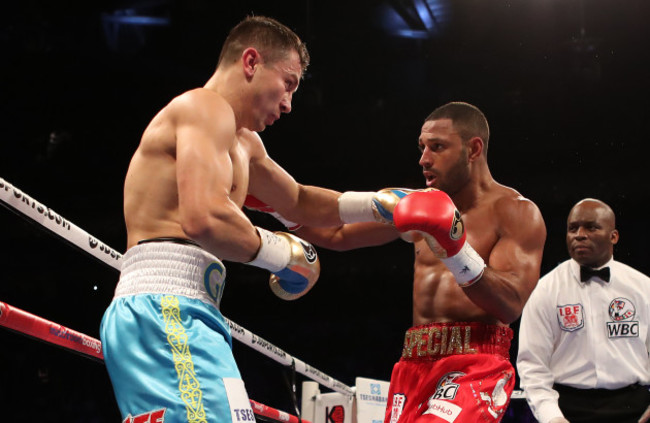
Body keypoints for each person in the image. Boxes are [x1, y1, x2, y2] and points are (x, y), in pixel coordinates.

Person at [99, 16, 347, 422]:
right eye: (288, 83)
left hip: (193, 314)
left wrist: (386, 209)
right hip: (165, 308)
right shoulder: (203, 107)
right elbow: (205, 218)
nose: (289, 103)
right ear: (251, 62)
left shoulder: (245, 142)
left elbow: (300, 201)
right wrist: (282, 254)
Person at [252, 101, 547, 422]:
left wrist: (454, 247)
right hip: (413, 364)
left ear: (473, 149)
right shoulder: (415, 204)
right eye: (422, 147)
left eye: (437, 147)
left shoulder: (516, 212)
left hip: (476, 362)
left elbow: (509, 305)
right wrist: (273, 207)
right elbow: (337, 233)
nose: (424, 159)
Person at [517, 198, 650, 423]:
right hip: (567, 408)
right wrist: (553, 418)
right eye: (572, 228)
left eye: (591, 227)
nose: (579, 234)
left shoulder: (643, 287)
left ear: (613, 236)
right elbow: (532, 366)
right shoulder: (545, 290)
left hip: (635, 407)